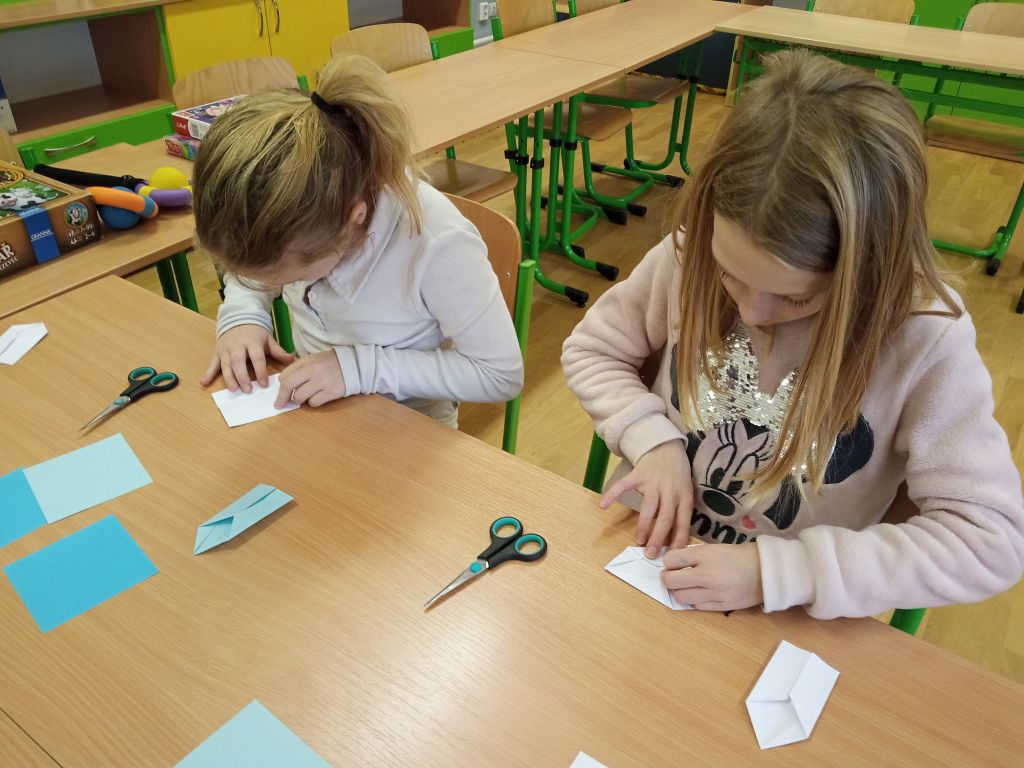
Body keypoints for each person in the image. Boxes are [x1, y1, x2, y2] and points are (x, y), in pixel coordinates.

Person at [562, 50, 1024, 618]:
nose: (752, 311)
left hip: (787, 610)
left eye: (797, 298)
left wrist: (777, 572)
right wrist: (651, 441)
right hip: (647, 553)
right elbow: (593, 349)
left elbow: (990, 540)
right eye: (730, 274)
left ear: (869, 268)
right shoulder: (688, 254)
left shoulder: (924, 337)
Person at [194, 54, 523, 427]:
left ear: (354, 221)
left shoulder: (436, 243)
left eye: (289, 279)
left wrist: (357, 369)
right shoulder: (305, 221)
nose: (274, 286)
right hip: (319, 409)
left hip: (412, 422)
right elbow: (257, 265)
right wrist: (243, 314)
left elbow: (500, 375)